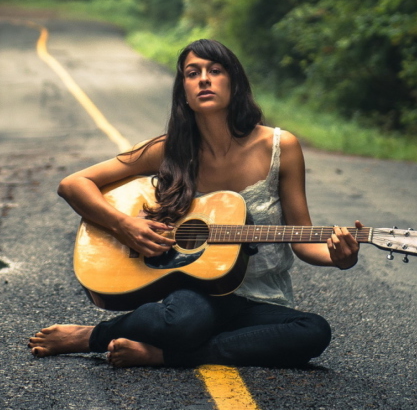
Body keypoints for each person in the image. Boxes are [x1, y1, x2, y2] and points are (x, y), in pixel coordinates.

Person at [28, 38, 361, 368]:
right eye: (192, 73)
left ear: (234, 82)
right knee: (183, 320)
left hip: (260, 299)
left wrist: (338, 258)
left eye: (215, 70)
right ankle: (92, 336)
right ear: (184, 92)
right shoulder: (168, 149)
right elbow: (73, 184)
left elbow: (302, 239)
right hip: (197, 296)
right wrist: (124, 224)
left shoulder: (279, 147)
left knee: (313, 331)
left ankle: (167, 355)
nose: (204, 78)